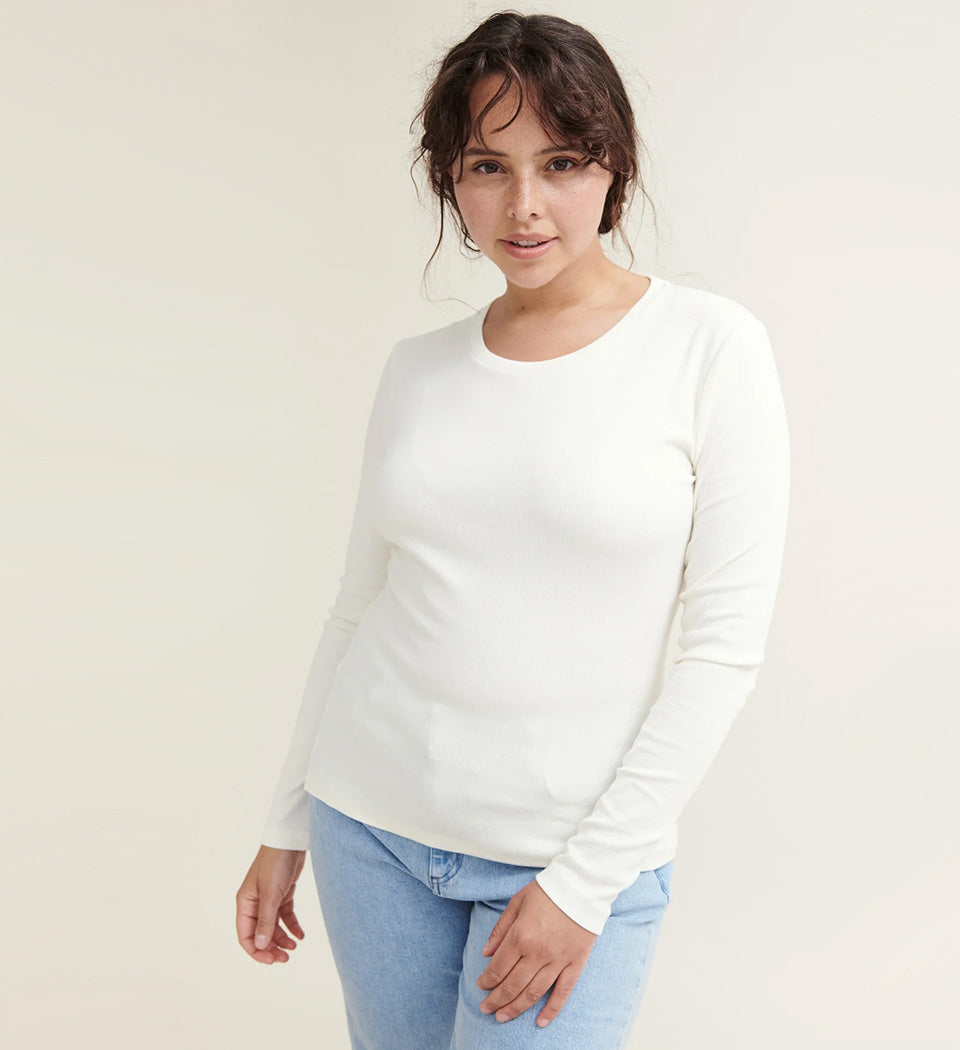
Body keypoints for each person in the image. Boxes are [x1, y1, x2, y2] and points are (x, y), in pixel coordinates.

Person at [235, 11, 791, 1050]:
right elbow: (358, 606)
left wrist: (582, 886)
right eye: (489, 166)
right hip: (370, 831)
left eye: (562, 162)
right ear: (452, 180)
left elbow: (722, 654)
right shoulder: (417, 369)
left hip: (566, 857)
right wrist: (286, 821)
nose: (525, 205)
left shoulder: (710, 347)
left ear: (613, 167)